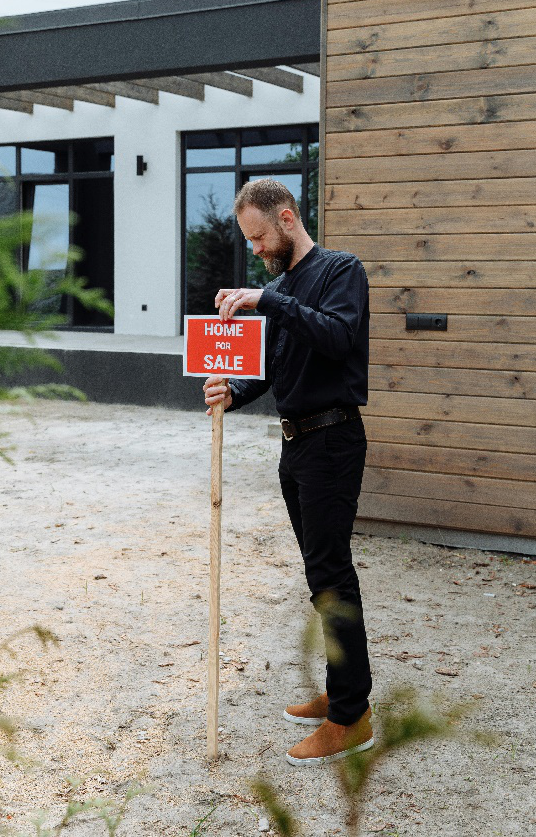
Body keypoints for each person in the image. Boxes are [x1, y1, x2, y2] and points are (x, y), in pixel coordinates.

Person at [202, 178, 373, 767]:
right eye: (248, 241)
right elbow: (273, 373)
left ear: (287, 216)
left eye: (258, 236)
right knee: (319, 575)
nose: (255, 248)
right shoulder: (280, 288)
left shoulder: (341, 271)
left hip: (334, 439)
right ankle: (341, 691)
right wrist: (231, 392)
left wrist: (268, 301)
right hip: (296, 445)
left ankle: (353, 716)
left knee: (332, 573)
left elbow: (336, 337)